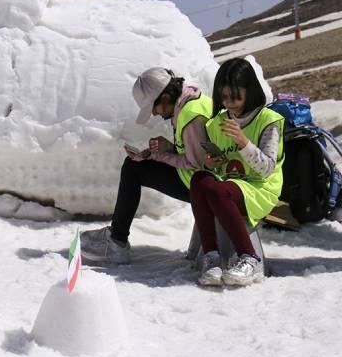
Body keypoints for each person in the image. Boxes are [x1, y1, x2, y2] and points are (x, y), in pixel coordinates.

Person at [81, 67, 212, 264]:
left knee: (133, 169)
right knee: (135, 165)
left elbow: (195, 164)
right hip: (201, 178)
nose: (154, 113)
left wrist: (159, 156)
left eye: (154, 107)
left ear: (166, 97)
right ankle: (116, 238)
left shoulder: (190, 116)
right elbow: (197, 151)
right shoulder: (192, 101)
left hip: (200, 184)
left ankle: (116, 241)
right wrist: (167, 148)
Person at [192, 57, 284, 286]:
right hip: (230, 185)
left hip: (259, 188)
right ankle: (212, 257)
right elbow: (220, 167)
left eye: (235, 96)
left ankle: (249, 257)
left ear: (250, 91)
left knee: (218, 191)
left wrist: (243, 142)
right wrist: (214, 163)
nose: (230, 103)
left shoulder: (268, 120)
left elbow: (266, 169)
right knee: (200, 180)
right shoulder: (217, 123)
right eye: (224, 97)